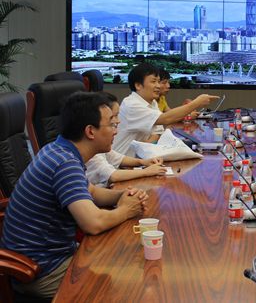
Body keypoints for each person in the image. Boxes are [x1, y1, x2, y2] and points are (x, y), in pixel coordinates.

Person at [1, 92, 149, 299]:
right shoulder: (65, 164)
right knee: (127, 284)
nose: (116, 130)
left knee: (123, 261)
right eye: (111, 124)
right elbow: (93, 223)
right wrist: (126, 210)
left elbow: (92, 192)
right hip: (43, 270)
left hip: (51, 255)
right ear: (90, 131)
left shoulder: (58, 150)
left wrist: (122, 196)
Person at [113, 63, 219, 156]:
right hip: (120, 165)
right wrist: (196, 103)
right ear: (138, 85)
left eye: (159, 81)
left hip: (138, 160)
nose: (158, 86)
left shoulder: (152, 102)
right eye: (153, 82)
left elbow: (157, 133)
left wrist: (147, 153)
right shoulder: (132, 104)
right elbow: (165, 119)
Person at [86, 92, 167, 187]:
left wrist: (143, 162)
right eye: (113, 117)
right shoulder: (90, 152)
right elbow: (113, 175)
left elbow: (117, 158)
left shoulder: (99, 145)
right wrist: (146, 172)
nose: (118, 121)